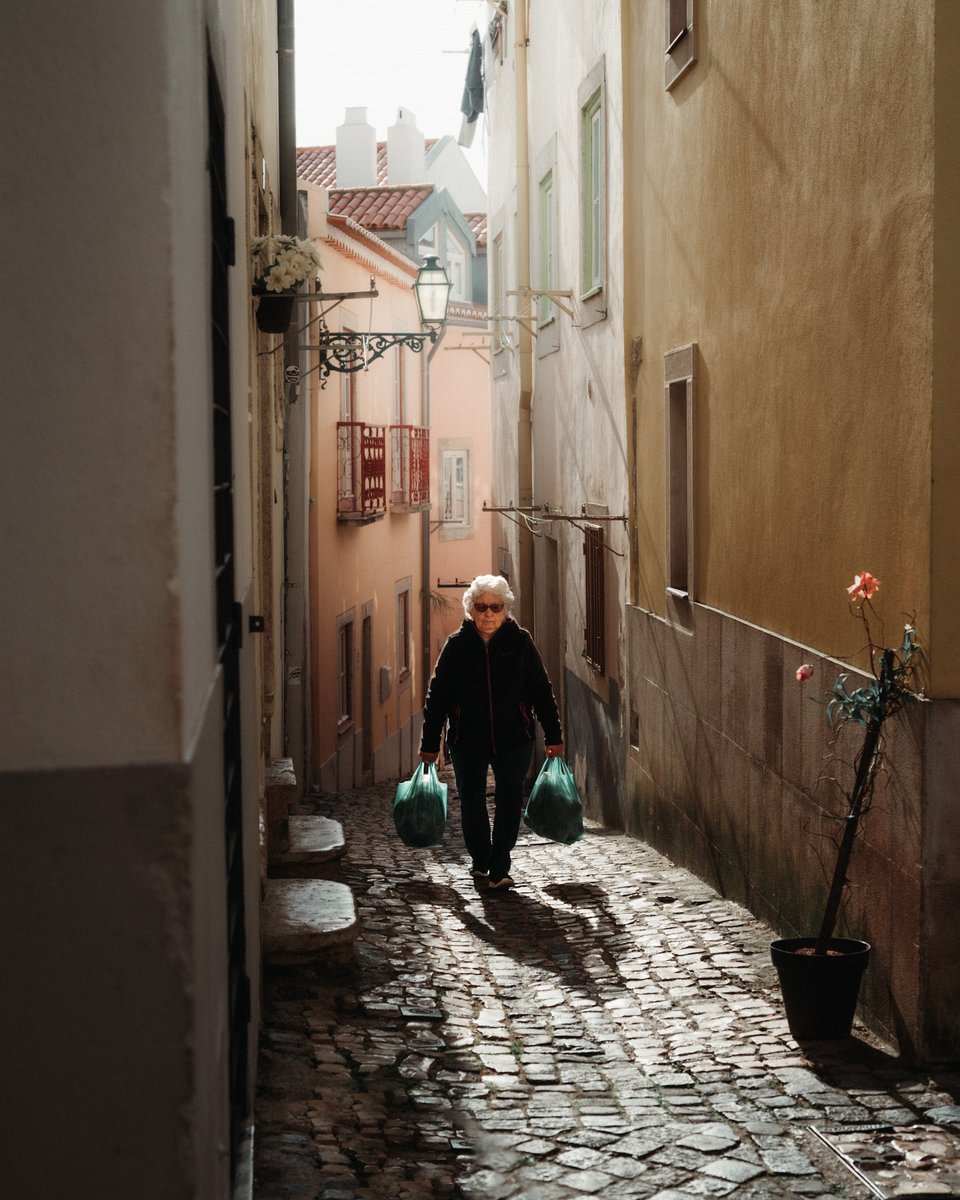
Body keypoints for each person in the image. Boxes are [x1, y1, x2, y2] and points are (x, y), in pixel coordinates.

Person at [419, 574, 563, 891]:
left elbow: (541, 691)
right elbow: (437, 696)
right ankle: (480, 858)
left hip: (514, 739)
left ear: (505, 609)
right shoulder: (457, 647)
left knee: (510, 801)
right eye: (481, 606)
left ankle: (500, 866)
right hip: (466, 740)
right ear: (471, 609)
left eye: (495, 607)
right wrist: (430, 744)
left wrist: (553, 736)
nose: (488, 614)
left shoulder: (521, 643)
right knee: (472, 802)